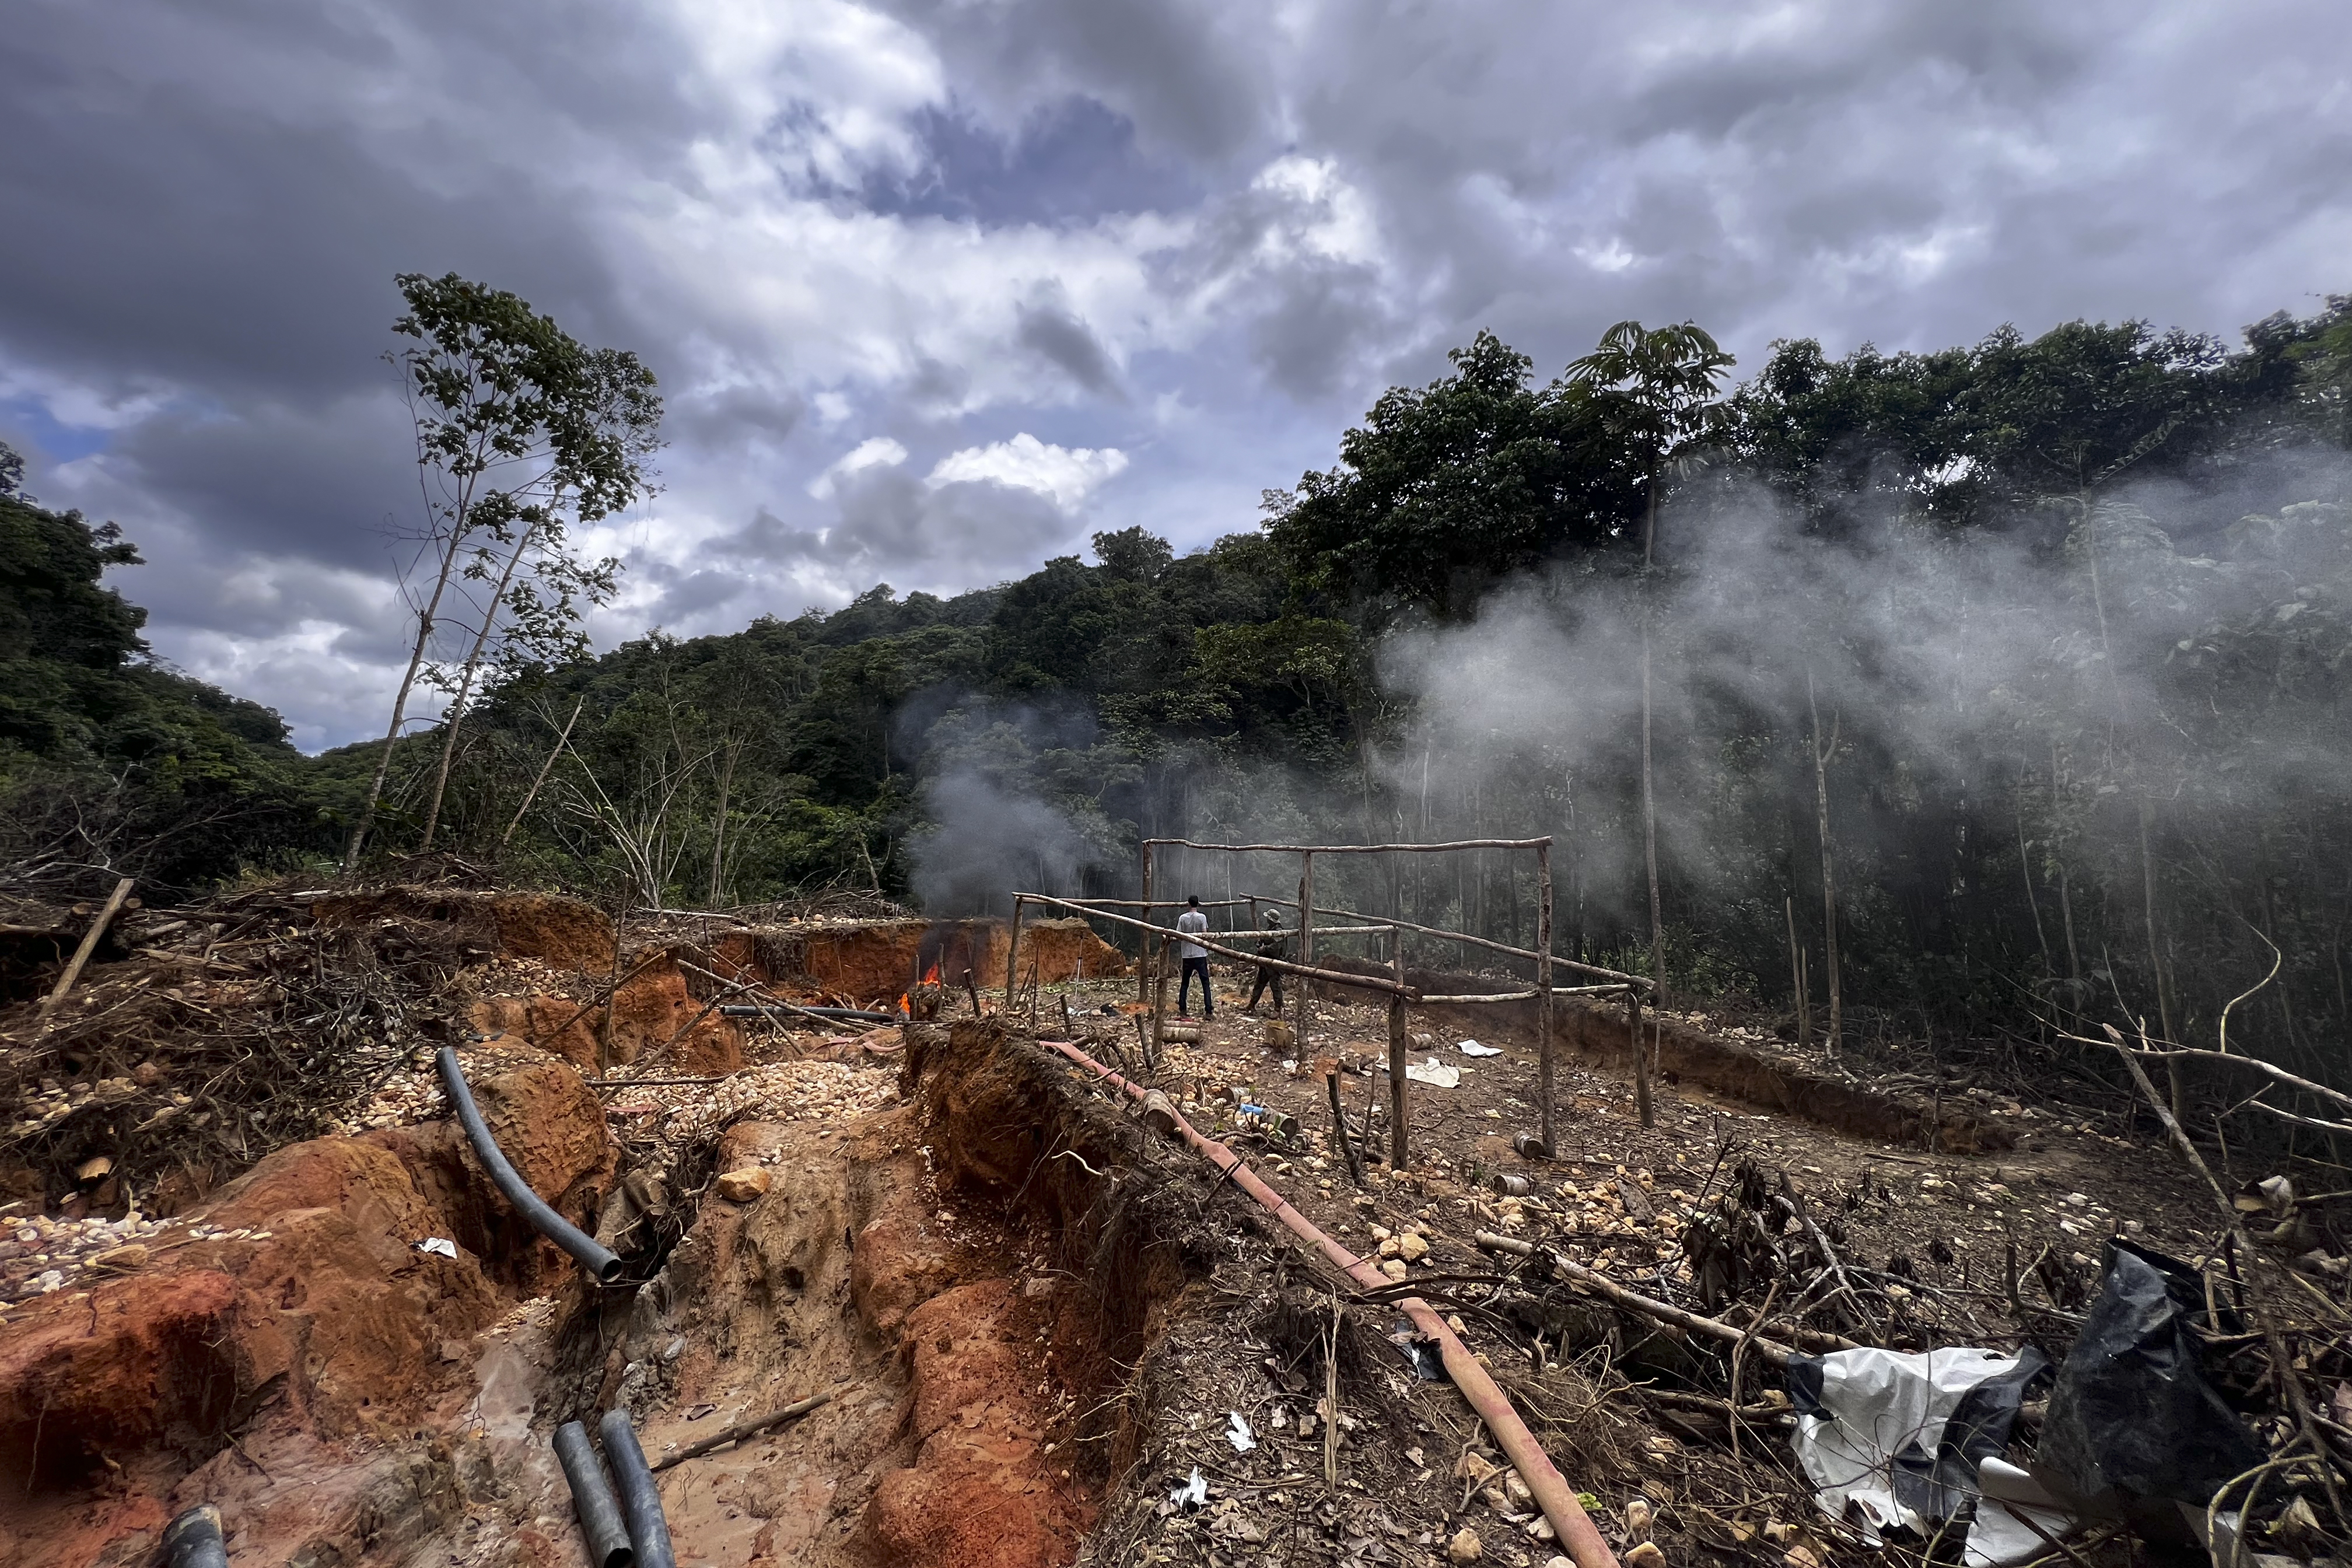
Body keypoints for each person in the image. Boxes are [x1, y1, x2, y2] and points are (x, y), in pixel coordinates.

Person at [1174, 895, 1213, 1018]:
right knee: (1205, 982)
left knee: (1185, 982)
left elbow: (1178, 934)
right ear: (1198, 904)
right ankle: (1208, 1011)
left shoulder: (1182, 918)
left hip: (1187, 955)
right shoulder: (1202, 917)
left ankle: (1183, 1010)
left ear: (1188, 904)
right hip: (1200, 953)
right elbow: (1205, 934)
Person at [1244, 907, 1287, 1016]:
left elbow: (1276, 948)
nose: (1267, 920)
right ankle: (1252, 1005)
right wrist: (1260, 944)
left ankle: (1278, 1009)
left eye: (1268, 918)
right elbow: (1262, 940)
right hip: (1265, 961)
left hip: (1274, 963)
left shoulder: (1279, 931)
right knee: (1259, 984)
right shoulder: (1270, 929)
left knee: (1275, 986)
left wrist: (1264, 949)